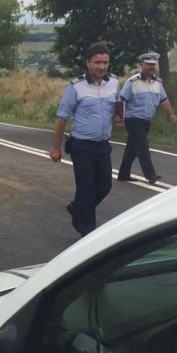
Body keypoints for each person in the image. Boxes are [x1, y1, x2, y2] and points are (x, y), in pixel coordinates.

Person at [50, 43, 120, 237]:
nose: (102, 67)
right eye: (97, 62)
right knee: (86, 188)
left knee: (105, 186)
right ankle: (88, 234)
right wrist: (55, 148)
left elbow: (118, 102)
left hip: (103, 145)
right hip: (82, 147)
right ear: (87, 62)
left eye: (105, 63)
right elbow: (62, 118)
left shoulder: (113, 82)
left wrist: (120, 117)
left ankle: (78, 208)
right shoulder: (75, 87)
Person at [116, 52, 177, 184]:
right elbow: (122, 101)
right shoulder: (132, 82)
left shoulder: (157, 83)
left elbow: (164, 100)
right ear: (142, 65)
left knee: (132, 148)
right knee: (143, 147)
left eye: (153, 64)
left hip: (146, 121)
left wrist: (170, 113)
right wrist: (120, 119)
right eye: (148, 64)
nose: (151, 67)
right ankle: (151, 175)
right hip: (133, 120)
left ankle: (123, 173)